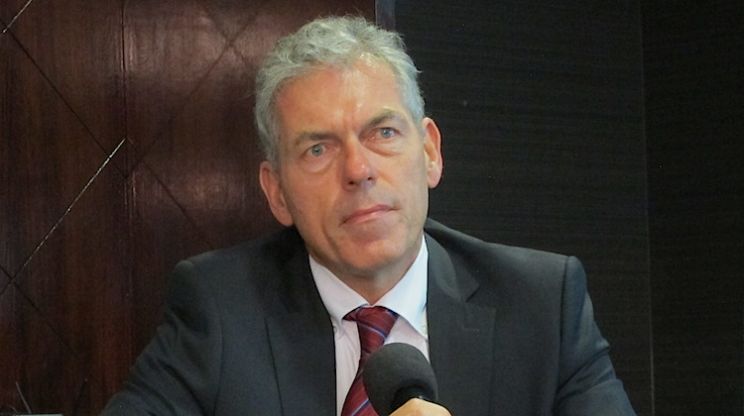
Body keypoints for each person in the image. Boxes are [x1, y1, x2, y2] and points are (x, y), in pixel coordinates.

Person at [102, 16, 636, 416]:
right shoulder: (220, 308)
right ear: (277, 192)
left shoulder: (541, 304)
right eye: (318, 149)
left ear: (429, 152)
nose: (358, 171)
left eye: (383, 133)